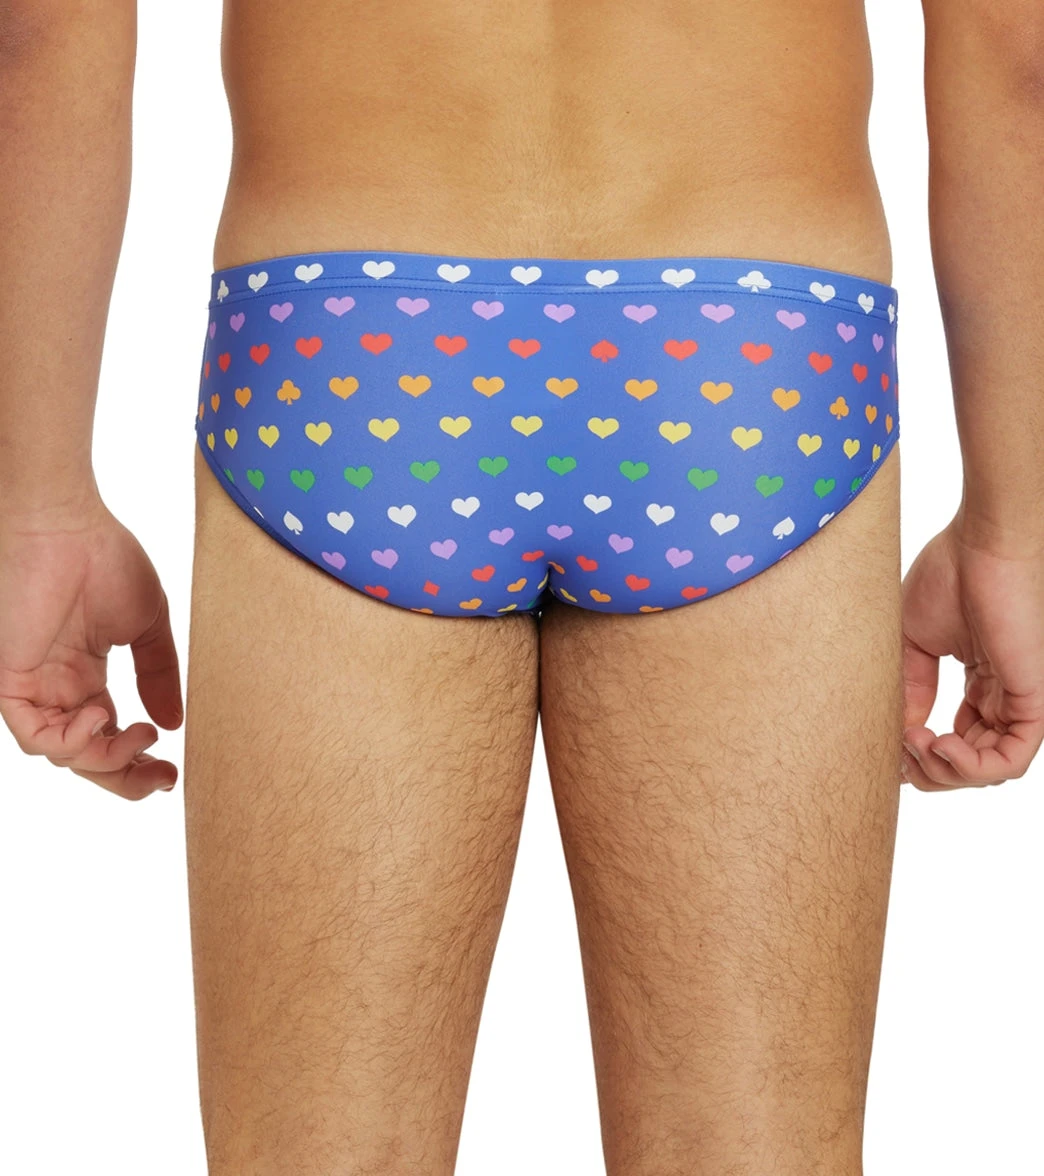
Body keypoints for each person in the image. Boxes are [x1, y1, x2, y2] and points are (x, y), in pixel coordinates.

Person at [1, 1, 1041, 1172]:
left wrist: (38, 508)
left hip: (353, 351)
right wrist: (1012, 529)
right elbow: (1018, 48)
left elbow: (39, 28)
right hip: (742, 354)